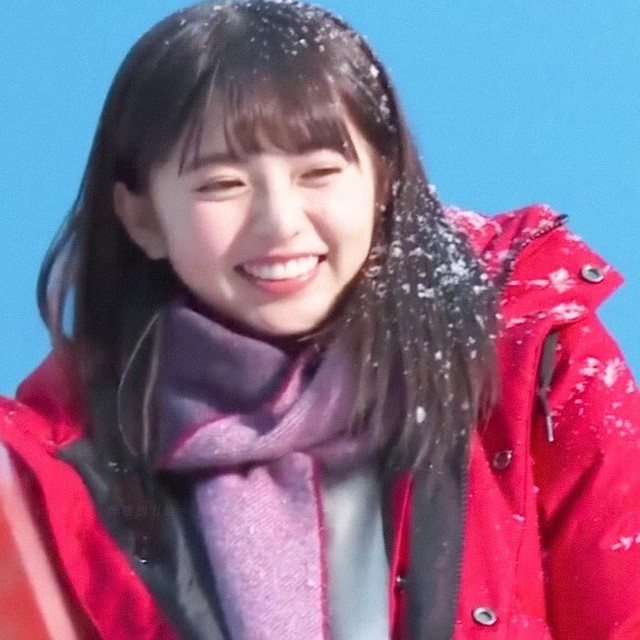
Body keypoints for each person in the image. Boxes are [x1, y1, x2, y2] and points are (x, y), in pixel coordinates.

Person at [1, 1, 639, 638]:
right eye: (222, 184)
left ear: (384, 180)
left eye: (319, 173)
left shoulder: (534, 357)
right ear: (143, 219)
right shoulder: (42, 479)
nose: (280, 223)